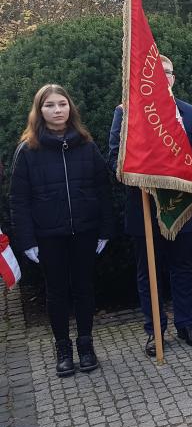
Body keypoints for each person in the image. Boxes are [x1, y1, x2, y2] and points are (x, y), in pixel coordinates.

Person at [108, 55, 192, 357]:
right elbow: (114, 156)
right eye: (156, 72)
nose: (162, 77)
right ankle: (155, 330)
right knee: (149, 273)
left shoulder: (190, 114)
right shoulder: (127, 112)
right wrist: (137, 176)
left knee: (182, 268)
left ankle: (186, 324)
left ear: (173, 78)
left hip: (182, 207)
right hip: (143, 205)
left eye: (167, 72)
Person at [10, 84, 113, 376]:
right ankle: (63, 349)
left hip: (85, 232)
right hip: (48, 235)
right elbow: (19, 199)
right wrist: (27, 240)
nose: (57, 110)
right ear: (39, 111)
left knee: (83, 288)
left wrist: (105, 229)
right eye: (50, 105)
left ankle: (86, 346)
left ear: (70, 108)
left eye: (62, 104)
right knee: (56, 292)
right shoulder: (27, 150)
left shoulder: (87, 145)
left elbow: (103, 190)